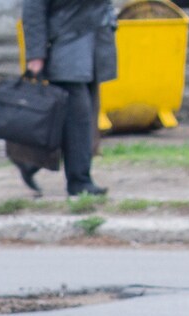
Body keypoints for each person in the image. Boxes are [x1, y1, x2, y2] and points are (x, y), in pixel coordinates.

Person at [21, 0, 118, 196]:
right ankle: (79, 180)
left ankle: (31, 162)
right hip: (66, 49)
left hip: (94, 46)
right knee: (79, 119)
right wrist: (35, 55)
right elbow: (33, 10)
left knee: (74, 120)